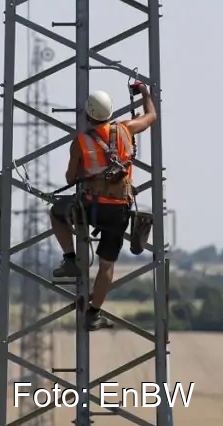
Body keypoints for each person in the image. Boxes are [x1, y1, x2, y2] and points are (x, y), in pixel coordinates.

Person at [50, 82, 157, 331]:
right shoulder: (126, 129)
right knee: (107, 265)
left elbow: (70, 178)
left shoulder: (80, 142)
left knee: (56, 212)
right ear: (110, 112)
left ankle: (70, 259)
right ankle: (94, 313)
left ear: (88, 115)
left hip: (91, 208)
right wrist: (145, 93)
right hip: (119, 209)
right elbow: (151, 116)